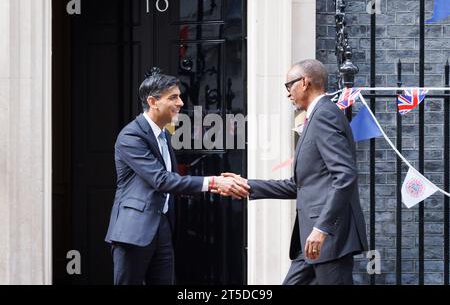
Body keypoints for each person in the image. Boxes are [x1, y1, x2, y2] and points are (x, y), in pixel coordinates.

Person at [221, 59, 368, 285]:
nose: (288, 93)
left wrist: (322, 228)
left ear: (305, 82)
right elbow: (299, 184)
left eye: (289, 86)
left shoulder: (324, 116)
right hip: (311, 241)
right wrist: (246, 185)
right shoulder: (317, 116)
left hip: (328, 238)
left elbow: (345, 176)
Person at [105, 68, 250, 285]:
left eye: (179, 96)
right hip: (133, 231)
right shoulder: (131, 136)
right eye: (173, 97)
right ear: (153, 101)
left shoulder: (163, 134)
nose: (181, 102)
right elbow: (161, 180)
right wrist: (212, 182)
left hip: (162, 227)